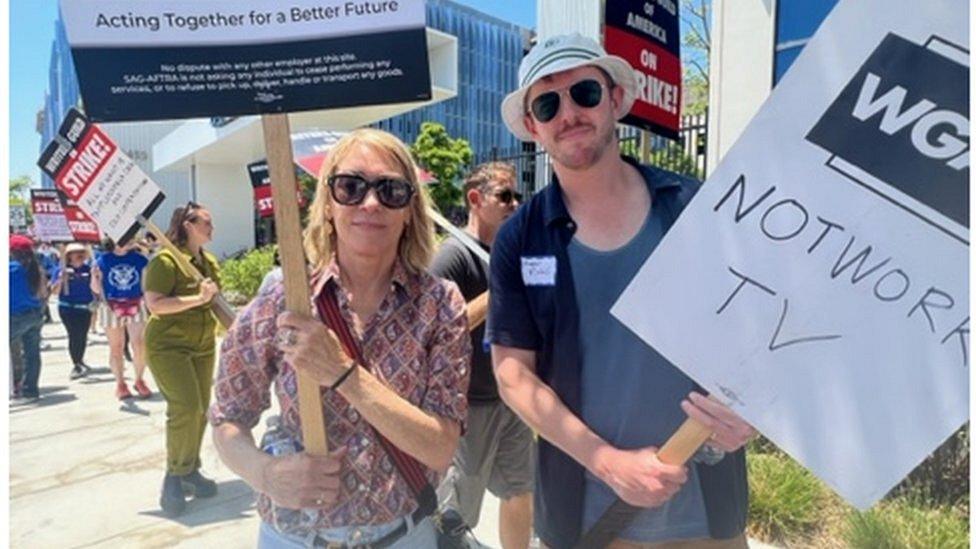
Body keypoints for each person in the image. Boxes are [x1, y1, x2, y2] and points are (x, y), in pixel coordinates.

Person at [488, 34, 756, 548]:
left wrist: (752, 412)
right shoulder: (520, 240)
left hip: (707, 512)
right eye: (548, 103)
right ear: (532, 126)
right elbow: (512, 373)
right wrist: (605, 462)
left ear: (615, 98)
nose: (568, 112)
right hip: (587, 520)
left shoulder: (690, 207)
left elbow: (755, 328)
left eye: (584, 92)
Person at [209, 128, 471, 548]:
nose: (370, 203)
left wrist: (340, 372)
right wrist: (265, 473)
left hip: (404, 537)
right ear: (328, 205)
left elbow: (440, 448)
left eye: (391, 190)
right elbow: (227, 417)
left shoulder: (439, 305)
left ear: (409, 210)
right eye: (350, 186)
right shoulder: (284, 298)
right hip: (295, 538)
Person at [431, 162, 535, 549]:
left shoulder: (510, 251)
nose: (514, 204)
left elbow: (544, 294)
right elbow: (438, 328)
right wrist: (498, 294)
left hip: (512, 396)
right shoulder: (452, 257)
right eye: (504, 196)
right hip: (470, 405)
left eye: (516, 196)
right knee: (456, 513)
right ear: (476, 199)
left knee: (520, 491)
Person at [143, 202, 222, 516]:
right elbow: (155, 305)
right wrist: (197, 298)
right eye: (206, 221)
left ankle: (190, 469)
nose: (211, 227)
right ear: (189, 224)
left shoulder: (209, 262)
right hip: (169, 346)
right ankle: (173, 475)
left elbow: (216, 303)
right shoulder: (166, 261)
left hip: (203, 345)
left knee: (201, 410)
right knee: (185, 407)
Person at [91, 237, 152, 400]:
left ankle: (139, 379)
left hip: (136, 303)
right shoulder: (102, 260)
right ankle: (120, 383)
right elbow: (96, 289)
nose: (132, 239)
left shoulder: (141, 260)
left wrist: (149, 305)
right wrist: (94, 277)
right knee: (116, 347)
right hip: (110, 305)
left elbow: (146, 286)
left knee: (139, 344)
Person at [10, 235, 48, 401]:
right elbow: (44, 294)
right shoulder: (36, 269)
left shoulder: (10, 268)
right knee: (32, 354)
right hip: (35, 315)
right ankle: (30, 390)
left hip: (15, 317)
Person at [51, 242, 96, 380]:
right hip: (67, 308)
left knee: (82, 335)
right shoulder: (61, 270)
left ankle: (80, 360)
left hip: (85, 308)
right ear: (69, 255)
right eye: (76, 252)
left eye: (82, 252)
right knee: (74, 335)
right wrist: (60, 279)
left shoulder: (89, 270)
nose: (79, 254)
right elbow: (54, 292)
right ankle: (76, 364)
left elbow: (96, 289)